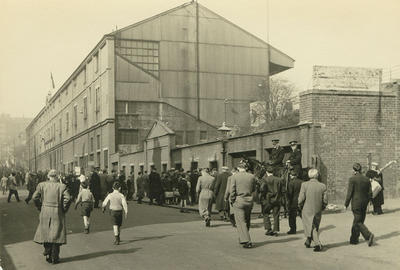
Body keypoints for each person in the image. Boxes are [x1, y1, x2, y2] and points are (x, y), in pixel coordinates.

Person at [32, 169, 72, 264]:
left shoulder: (41, 185)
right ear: (57, 177)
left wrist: (40, 206)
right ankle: (55, 256)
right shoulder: (62, 186)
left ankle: (48, 249)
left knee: (46, 231)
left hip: (45, 210)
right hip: (57, 211)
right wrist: (64, 208)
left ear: (48, 176)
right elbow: (68, 198)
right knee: (56, 233)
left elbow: (34, 197)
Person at [345, 163, 375, 246]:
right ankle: (354, 239)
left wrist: (346, 204)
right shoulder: (366, 179)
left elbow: (349, 193)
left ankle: (368, 235)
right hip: (364, 203)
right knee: (358, 220)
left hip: (356, 203)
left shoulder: (352, 179)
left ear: (354, 170)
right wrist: (369, 201)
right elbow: (370, 193)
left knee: (358, 221)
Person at [298, 168, 327, 252]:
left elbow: (301, 198)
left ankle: (318, 244)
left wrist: (299, 205)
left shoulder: (304, 185)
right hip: (318, 209)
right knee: (315, 225)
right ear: (317, 175)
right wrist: (323, 207)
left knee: (310, 226)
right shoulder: (323, 186)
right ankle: (308, 241)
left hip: (307, 209)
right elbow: (325, 200)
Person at [230, 162, 256, 248]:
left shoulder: (234, 176)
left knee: (241, 222)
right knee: (247, 219)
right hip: (249, 200)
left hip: (239, 200)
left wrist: (232, 199)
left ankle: (246, 240)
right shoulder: (252, 176)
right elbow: (253, 189)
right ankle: (243, 236)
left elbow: (232, 190)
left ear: (238, 168)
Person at [260, 166, 281, 236]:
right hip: (277, 199)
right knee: (276, 215)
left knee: (265, 213)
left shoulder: (265, 180)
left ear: (266, 172)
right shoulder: (279, 180)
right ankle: (275, 230)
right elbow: (283, 190)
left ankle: (269, 229)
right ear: (273, 172)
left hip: (268, 199)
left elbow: (262, 189)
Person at [286, 169, 303, 234]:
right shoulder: (302, 182)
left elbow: (290, 194)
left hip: (293, 202)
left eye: (290, 175)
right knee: (303, 216)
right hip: (301, 201)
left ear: (292, 175)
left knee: (292, 217)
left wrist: (288, 202)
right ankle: (308, 228)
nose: (290, 176)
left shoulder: (291, 183)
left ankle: (293, 229)